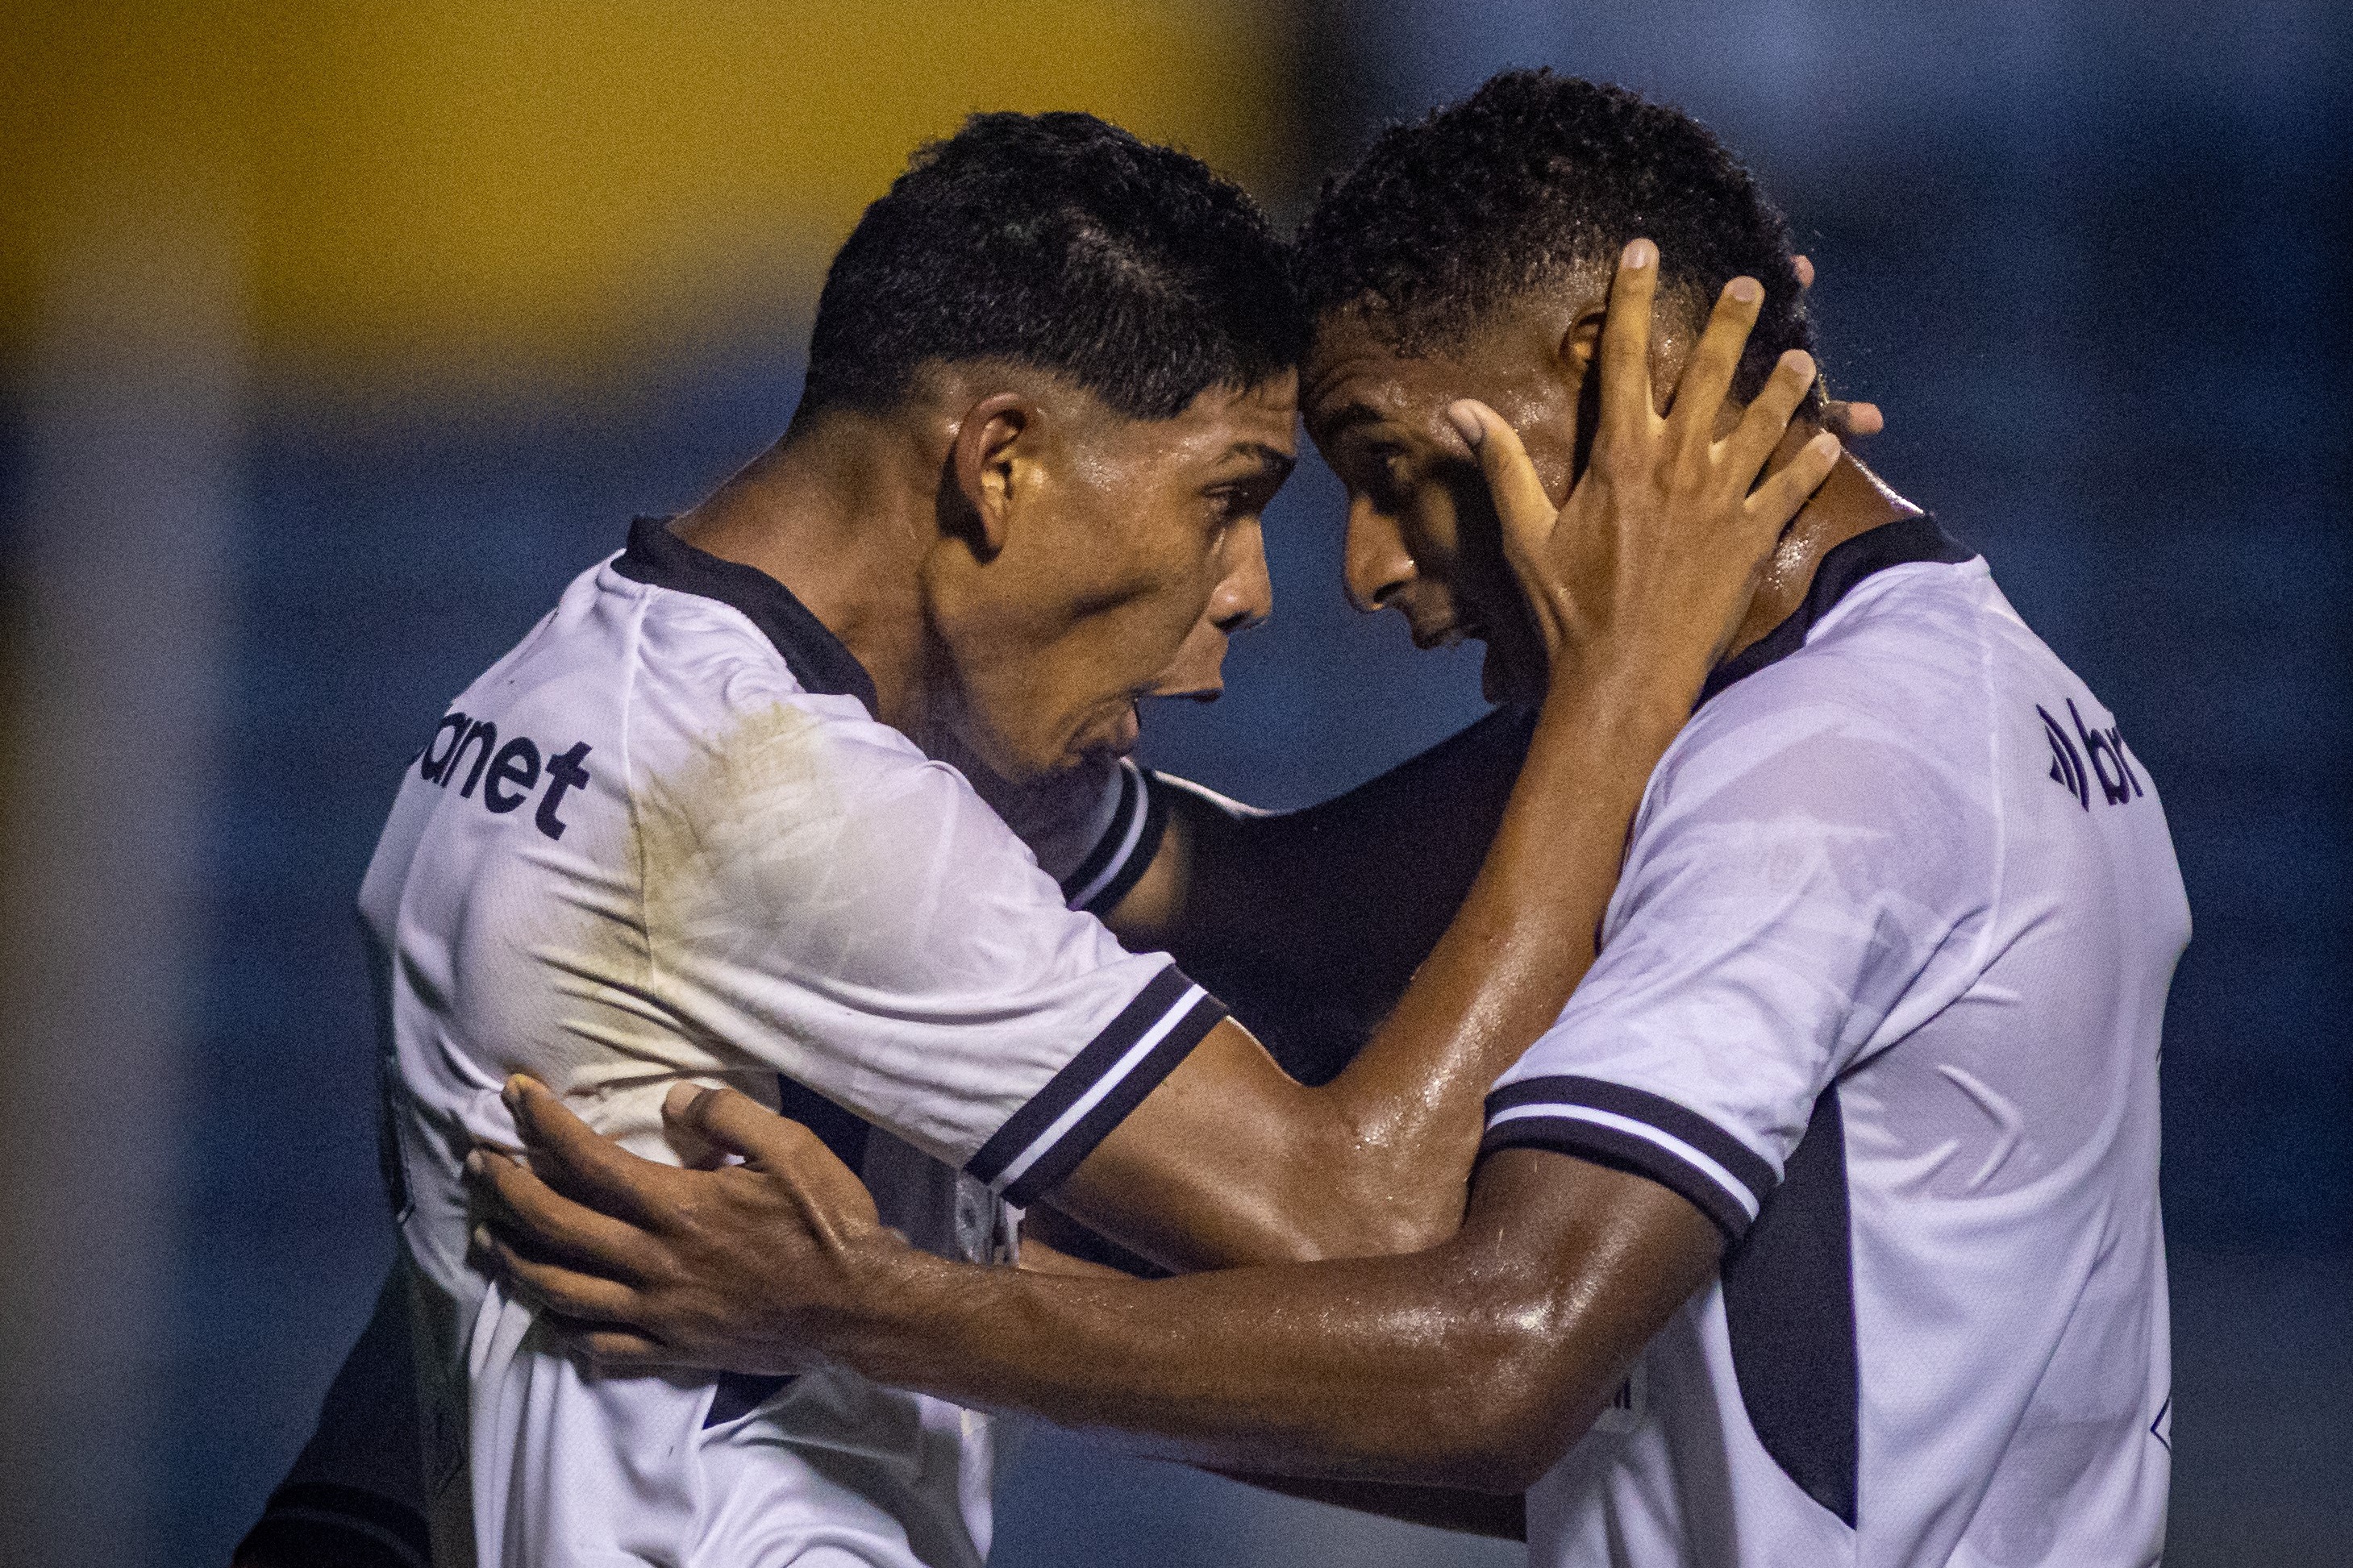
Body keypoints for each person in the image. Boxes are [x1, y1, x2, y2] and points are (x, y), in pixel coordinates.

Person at [473, 73, 2189, 1567]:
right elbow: (1289, 911)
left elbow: (1490, 1365)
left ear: (1605, 382)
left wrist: (865, 1309)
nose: (1365, 570)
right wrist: (923, 735)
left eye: (1387, 469)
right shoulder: (1925, 689)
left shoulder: (1816, 779)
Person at [248, 104, 1839, 1568]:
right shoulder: (781, 803)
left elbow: (1291, 907)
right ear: (998, 460)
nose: (1252, 590)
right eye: (1228, 496)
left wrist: (1717, 618)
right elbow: (1356, 1222)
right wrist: (1621, 684)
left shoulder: (608, 693)